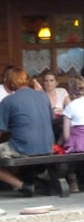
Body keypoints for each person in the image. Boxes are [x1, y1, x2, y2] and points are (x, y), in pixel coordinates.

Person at [0, 67, 54, 197]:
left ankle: (23, 186)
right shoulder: (43, 96)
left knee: (10, 148)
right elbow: (51, 119)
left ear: (11, 83)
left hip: (24, 147)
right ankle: (35, 176)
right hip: (48, 146)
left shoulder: (8, 101)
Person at [41, 69, 70, 141]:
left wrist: (62, 111)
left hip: (60, 123)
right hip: (46, 124)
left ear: (56, 82)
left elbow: (71, 108)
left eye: (51, 80)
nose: (49, 83)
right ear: (43, 83)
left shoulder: (62, 91)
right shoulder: (40, 94)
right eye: (46, 81)